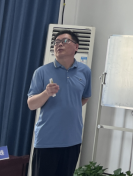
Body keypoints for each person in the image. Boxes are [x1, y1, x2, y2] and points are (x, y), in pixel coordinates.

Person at [27, 30, 92, 176]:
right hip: (47, 140)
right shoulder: (41, 72)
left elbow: (85, 97)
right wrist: (46, 93)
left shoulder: (85, 71)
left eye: (64, 41)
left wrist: (69, 107)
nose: (59, 44)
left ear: (76, 46)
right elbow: (31, 104)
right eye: (56, 42)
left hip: (72, 140)